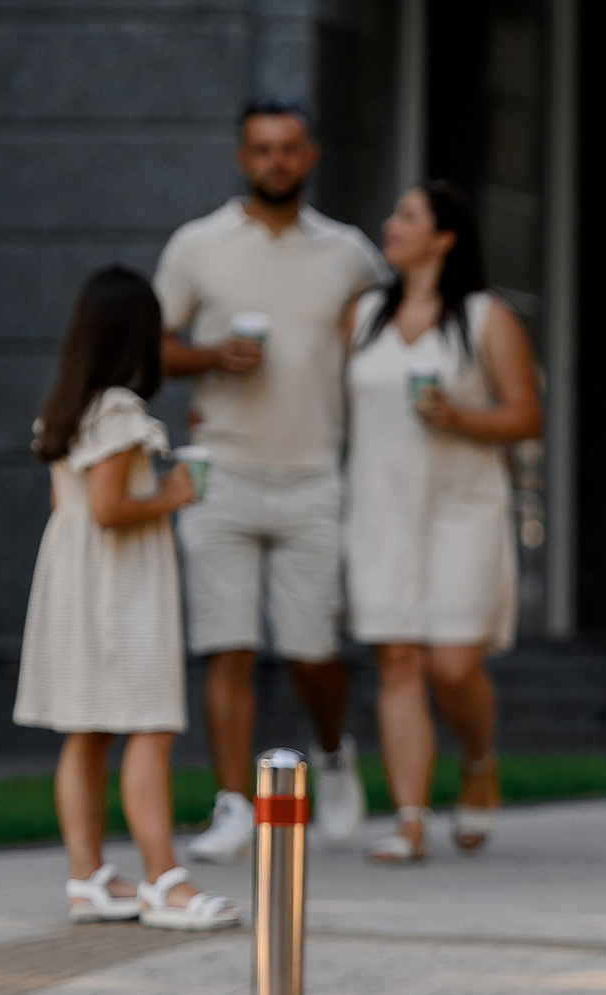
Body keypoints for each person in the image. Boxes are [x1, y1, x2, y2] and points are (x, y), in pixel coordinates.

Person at [155, 97, 385, 861]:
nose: (275, 161)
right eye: (261, 149)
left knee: (313, 649)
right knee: (228, 645)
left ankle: (332, 752)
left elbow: (385, 346)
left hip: (315, 472)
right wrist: (210, 356)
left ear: (310, 156)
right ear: (240, 157)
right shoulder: (198, 245)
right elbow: (150, 348)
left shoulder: (349, 253)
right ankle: (233, 803)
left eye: (288, 148)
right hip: (221, 467)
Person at [15, 266, 241, 933]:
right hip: (120, 586)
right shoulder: (117, 411)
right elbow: (111, 510)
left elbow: (71, 504)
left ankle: (87, 879)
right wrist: (171, 496)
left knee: (87, 730)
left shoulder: (68, 407)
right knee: (149, 722)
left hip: (74, 580)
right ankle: (163, 879)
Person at [342, 180, 543, 862]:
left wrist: (459, 417)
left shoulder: (487, 318)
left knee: (453, 664)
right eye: (393, 211)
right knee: (397, 660)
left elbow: (526, 416)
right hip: (379, 510)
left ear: (445, 237)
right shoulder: (362, 314)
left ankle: (479, 763)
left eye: (407, 215)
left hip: (462, 509)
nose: (390, 224)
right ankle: (409, 820)